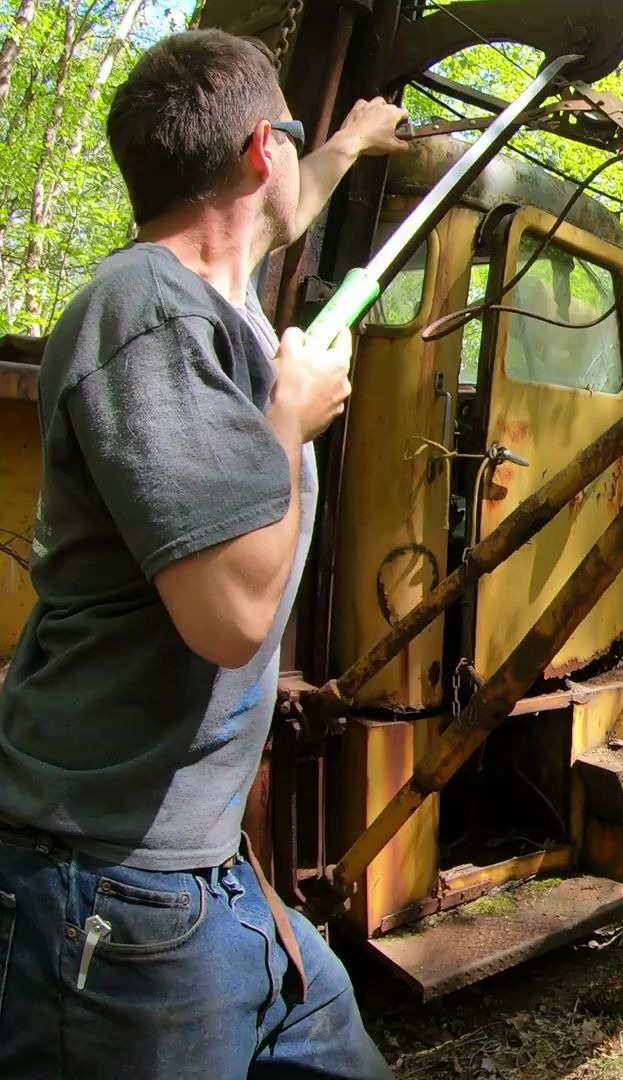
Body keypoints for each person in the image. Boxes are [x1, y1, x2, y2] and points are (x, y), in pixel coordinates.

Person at [0, 29, 407, 1078]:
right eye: (292, 141)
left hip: (209, 874)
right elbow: (227, 620)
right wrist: (289, 420)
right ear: (258, 152)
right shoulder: (146, 313)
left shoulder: (214, 291)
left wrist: (353, 142)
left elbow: (283, 211)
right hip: (114, 891)